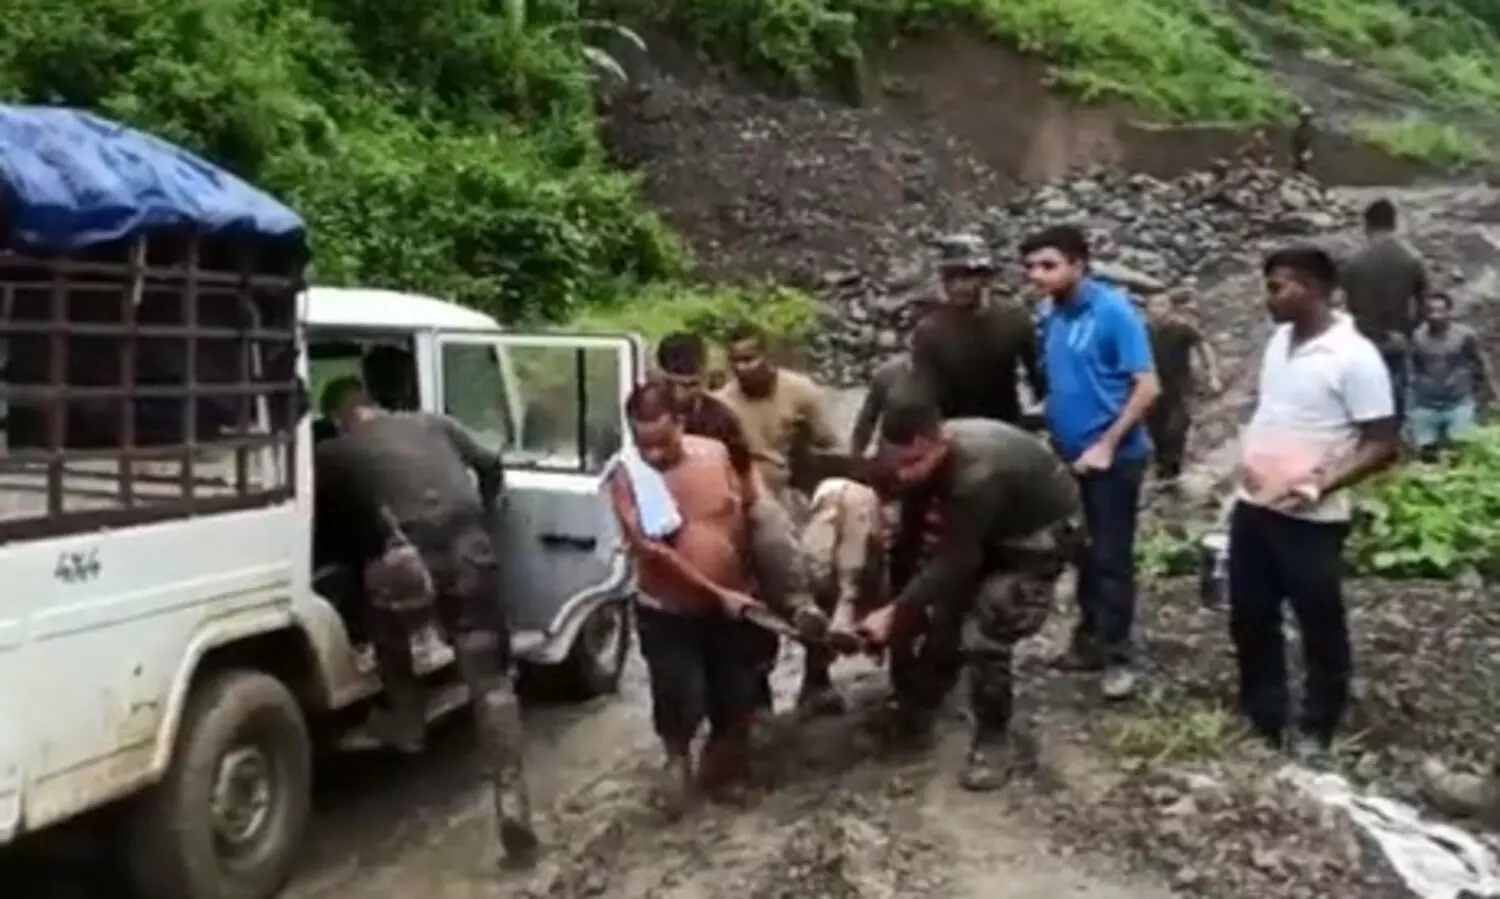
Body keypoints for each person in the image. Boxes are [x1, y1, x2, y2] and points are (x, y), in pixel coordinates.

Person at [321, 377, 538, 861]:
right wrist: (487, 502)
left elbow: (326, 519)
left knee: (382, 620)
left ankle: (408, 715)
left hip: (409, 566)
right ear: (375, 403)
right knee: (490, 681)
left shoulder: (335, 451)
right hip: (469, 551)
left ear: (340, 417)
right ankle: (513, 802)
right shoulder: (431, 421)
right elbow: (488, 463)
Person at [855, 396, 1082, 791]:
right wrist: (896, 608)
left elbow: (958, 557)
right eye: (898, 466)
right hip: (983, 530)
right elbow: (910, 544)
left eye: (913, 464)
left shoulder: (977, 471)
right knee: (941, 613)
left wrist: (897, 610)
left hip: (1033, 537)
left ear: (937, 443)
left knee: (986, 630)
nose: (904, 475)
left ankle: (994, 740)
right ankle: (919, 704)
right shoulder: (915, 465)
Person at [1232, 247, 1398, 759]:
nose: (1269, 298)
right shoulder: (1279, 341)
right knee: (1250, 614)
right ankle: (1265, 718)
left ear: (1316, 289)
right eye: (1268, 286)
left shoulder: (1355, 357)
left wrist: (1319, 485)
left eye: (1279, 286)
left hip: (1310, 518)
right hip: (1255, 506)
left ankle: (1318, 725)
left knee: (1318, 619)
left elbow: (1382, 443)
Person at [653, 333, 833, 712]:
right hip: (668, 517)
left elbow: (746, 475)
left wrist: (752, 507)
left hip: (732, 504)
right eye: (675, 385)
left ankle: (798, 608)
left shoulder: (718, 416)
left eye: (692, 385)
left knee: (770, 531)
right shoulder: (647, 414)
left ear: (703, 377)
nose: (684, 394)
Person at [606, 380, 765, 808]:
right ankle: (677, 759)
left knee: (735, 692)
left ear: (680, 422)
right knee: (678, 690)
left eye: (662, 443)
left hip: (729, 606)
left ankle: (725, 767)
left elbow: (745, 514)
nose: (654, 456)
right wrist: (716, 591)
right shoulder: (628, 476)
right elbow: (652, 551)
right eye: (645, 446)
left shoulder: (714, 454)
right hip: (669, 610)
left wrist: (752, 580)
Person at [1023, 225, 1160, 700]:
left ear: (1078, 266)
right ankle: (1089, 641)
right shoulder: (1052, 316)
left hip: (1114, 460)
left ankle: (1120, 656)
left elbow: (1147, 386)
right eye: (1031, 268)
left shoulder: (1113, 312)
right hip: (1070, 457)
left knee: (1111, 557)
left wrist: (1106, 443)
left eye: (1048, 266)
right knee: (1080, 552)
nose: (1036, 276)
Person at [910, 233, 1046, 427]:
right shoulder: (930, 331)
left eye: (966, 277)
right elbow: (923, 397)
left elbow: (1039, 381)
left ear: (985, 278)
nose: (957, 286)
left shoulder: (1015, 319)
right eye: (950, 278)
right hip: (953, 433)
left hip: (1005, 429)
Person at [717, 323, 843, 504]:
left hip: (795, 486)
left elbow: (831, 445)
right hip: (748, 489)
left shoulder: (800, 391)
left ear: (767, 357)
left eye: (749, 359)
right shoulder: (723, 404)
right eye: (736, 361)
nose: (742, 368)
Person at [1339, 198, 1428, 418]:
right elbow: (1424, 304)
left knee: (1362, 396)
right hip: (1396, 337)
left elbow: (1343, 304)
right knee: (1396, 394)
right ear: (1394, 223)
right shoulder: (1412, 259)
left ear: (1366, 224)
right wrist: (1410, 331)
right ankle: (1394, 441)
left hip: (1361, 339)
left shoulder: (1354, 262)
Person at [1145, 290, 1224, 485]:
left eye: (1162, 306)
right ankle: (1162, 474)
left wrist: (1212, 374)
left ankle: (1175, 471)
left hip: (1179, 388)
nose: (1158, 311)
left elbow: (1203, 347)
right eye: (1154, 306)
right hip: (1154, 388)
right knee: (1156, 432)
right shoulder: (1143, 331)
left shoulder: (1182, 329)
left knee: (1175, 429)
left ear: (1170, 309)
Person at [1406, 293, 1495, 458]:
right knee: (1425, 454)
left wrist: (1486, 397)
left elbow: (1481, 364)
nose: (1436, 316)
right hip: (1426, 403)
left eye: (1440, 311)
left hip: (1458, 401)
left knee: (1462, 451)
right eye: (1431, 311)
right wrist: (1410, 404)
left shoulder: (1464, 336)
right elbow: (1410, 369)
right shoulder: (1417, 337)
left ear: (1449, 312)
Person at [1291, 105, 1315, 174]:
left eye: (1307, 117)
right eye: (1304, 117)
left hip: (1306, 153)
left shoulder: (1310, 129)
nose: (1306, 119)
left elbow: (1311, 142)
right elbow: (1294, 143)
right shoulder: (1298, 129)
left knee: (1305, 168)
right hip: (1299, 153)